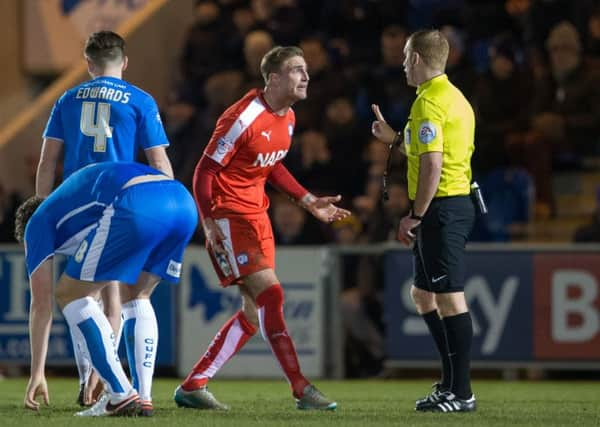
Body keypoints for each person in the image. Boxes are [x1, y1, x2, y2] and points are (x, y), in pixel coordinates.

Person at [174, 45, 350, 411]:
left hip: (257, 215)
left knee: (254, 313)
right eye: (296, 70)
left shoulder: (287, 117)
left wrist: (307, 200)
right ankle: (301, 388)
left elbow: (271, 166)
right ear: (273, 78)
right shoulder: (243, 117)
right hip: (228, 215)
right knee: (272, 296)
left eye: (305, 70)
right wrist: (208, 222)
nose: (306, 76)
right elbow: (204, 171)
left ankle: (194, 385)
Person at [36, 30, 174, 407]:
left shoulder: (67, 98)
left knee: (80, 294)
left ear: (88, 64)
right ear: (124, 63)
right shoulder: (140, 100)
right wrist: (167, 209)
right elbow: (159, 161)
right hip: (123, 205)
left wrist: (42, 208)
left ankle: (91, 378)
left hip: (75, 206)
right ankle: (105, 379)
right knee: (114, 293)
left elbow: (48, 162)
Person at [16, 162, 197, 417]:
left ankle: (119, 394)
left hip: (137, 203)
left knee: (69, 293)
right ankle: (142, 397)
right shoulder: (76, 207)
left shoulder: (37, 224)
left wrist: (36, 373)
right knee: (136, 296)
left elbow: (41, 304)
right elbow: (111, 300)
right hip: (182, 203)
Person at [371, 29, 477, 413]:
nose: (401, 64)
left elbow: (433, 163)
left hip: (442, 207)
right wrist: (395, 139)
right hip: (449, 203)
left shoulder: (430, 103)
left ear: (416, 58)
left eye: (404, 57)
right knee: (423, 294)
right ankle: (450, 383)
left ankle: (461, 392)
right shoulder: (452, 97)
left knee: (449, 296)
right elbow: (428, 149)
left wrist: (415, 214)